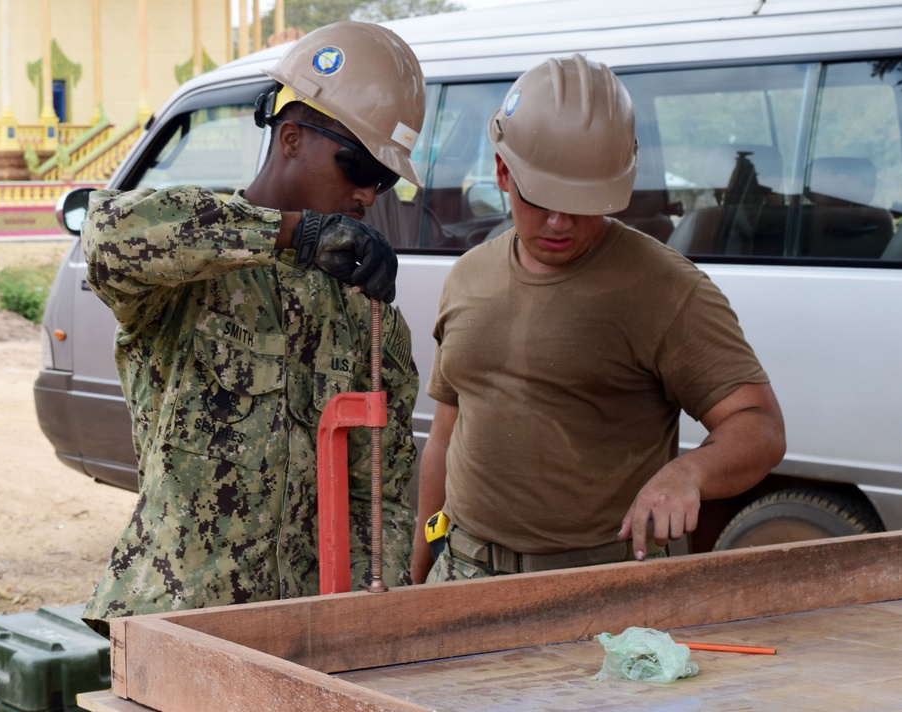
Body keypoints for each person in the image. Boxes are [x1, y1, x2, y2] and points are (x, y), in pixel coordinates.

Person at [80, 21, 424, 634]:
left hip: (305, 628)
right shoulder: (194, 273)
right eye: (357, 167)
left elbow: (384, 494)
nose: (368, 195)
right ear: (290, 137)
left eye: (385, 179)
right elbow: (107, 233)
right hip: (181, 618)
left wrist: (373, 617)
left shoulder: (361, 308)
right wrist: (292, 233)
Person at [411, 55, 787, 584]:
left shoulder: (667, 289)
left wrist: (689, 472)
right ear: (502, 171)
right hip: (461, 571)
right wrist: (420, 568)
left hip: (599, 586)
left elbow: (760, 425)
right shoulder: (468, 276)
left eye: (584, 202)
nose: (560, 222)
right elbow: (446, 437)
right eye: (541, 198)